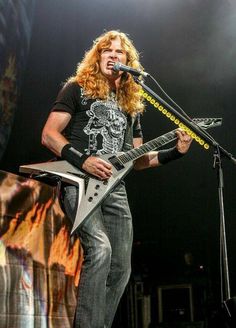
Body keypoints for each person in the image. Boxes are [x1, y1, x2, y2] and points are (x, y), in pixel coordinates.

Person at [41, 30, 192, 328]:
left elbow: (138, 162)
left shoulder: (130, 107)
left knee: (122, 268)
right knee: (100, 250)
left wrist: (175, 152)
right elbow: (49, 134)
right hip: (79, 182)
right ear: (97, 58)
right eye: (107, 51)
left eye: (119, 52)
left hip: (115, 190)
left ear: (128, 61)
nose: (113, 55)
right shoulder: (77, 89)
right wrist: (83, 159)